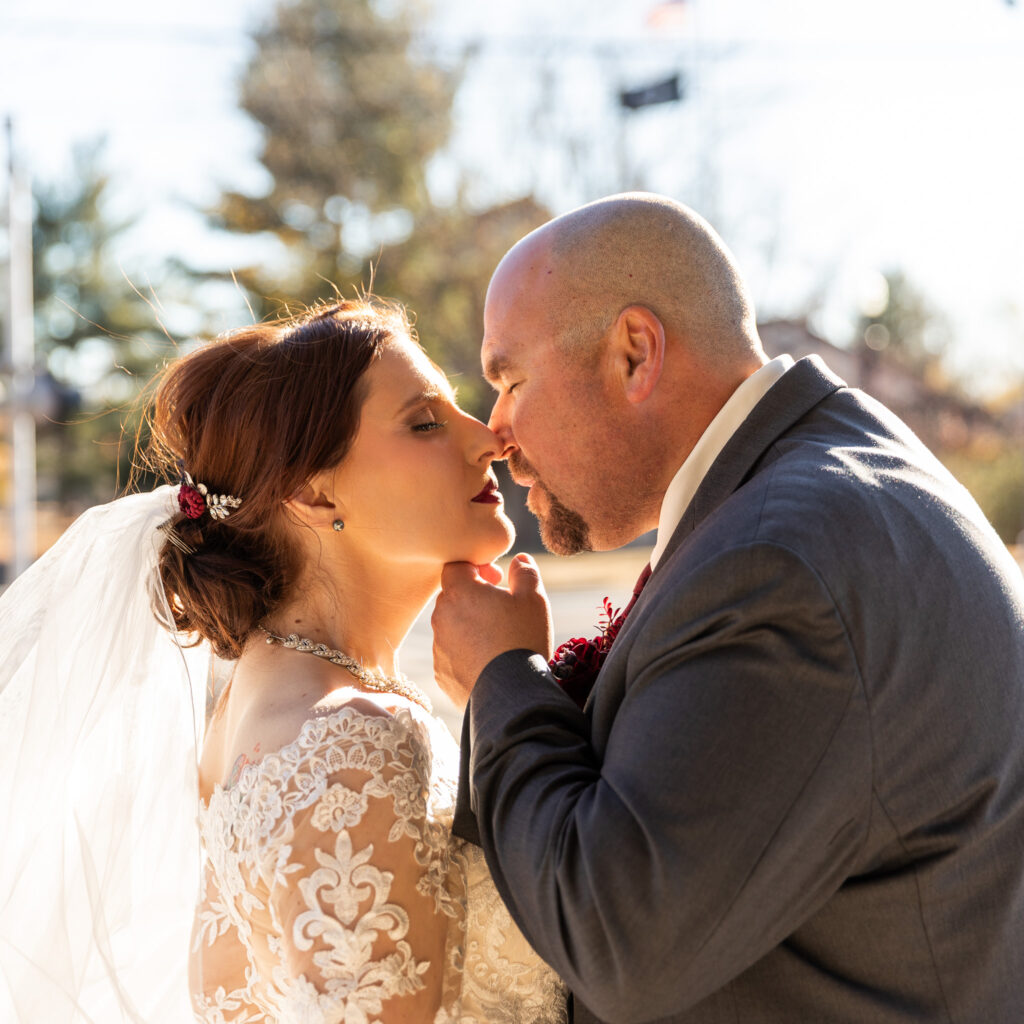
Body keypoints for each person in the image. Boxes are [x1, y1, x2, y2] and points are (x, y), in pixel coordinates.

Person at [431, 193, 1024, 1023]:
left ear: (634, 354)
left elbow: (617, 939)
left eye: (511, 380)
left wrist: (501, 677)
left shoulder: (776, 562)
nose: (495, 430)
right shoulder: (828, 481)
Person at [0, 298, 567, 1023]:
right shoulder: (347, 739)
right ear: (312, 489)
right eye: (424, 423)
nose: (487, 437)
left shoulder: (268, 700)